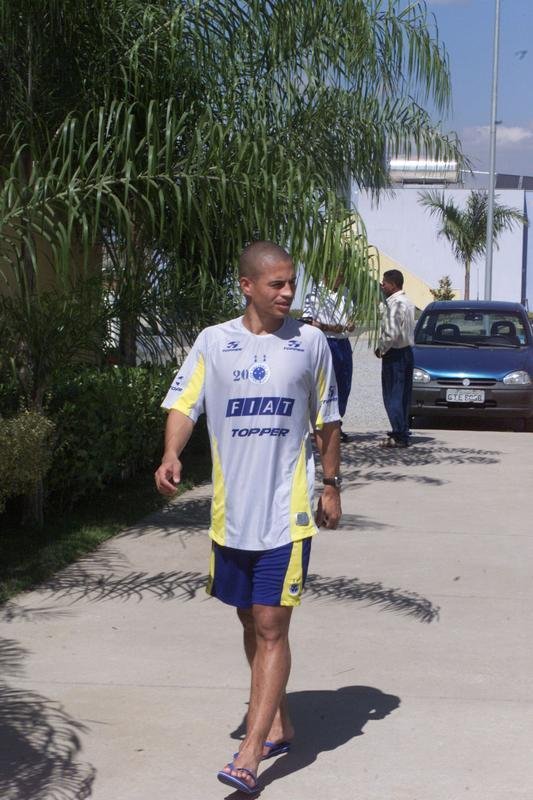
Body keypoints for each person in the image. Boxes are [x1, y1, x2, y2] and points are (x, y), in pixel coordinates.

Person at [154, 241, 342, 795]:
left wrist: (331, 485)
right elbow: (184, 403)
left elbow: (329, 420)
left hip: (287, 512)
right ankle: (279, 721)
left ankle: (251, 753)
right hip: (231, 516)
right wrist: (170, 454)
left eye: (291, 283)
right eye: (276, 284)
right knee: (248, 621)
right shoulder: (214, 342)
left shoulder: (310, 343)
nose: (288, 293)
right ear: (247, 286)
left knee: (271, 626)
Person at [301, 272, 355, 441]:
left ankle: (337, 423)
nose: (341, 279)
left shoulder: (345, 293)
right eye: (338, 276)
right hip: (327, 341)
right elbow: (307, 320)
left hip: (343, 342)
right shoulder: (315, 295)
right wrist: (329, 327)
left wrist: (351, 324)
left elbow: (351, 316)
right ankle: (324, 425)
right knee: (326, 385)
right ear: (327, 276)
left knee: (344, 384)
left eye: (342, 276)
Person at [374, 269, 415, 448]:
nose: (382, 286)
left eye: (384, 283)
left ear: (393, 284)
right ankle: (402, 429)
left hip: (395, 354)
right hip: (407, 352)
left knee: (393, 395)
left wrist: (381, 349)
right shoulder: (408, 302)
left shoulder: (396, 305)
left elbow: (391, 333)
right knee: (404, 394)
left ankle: (399, 434)